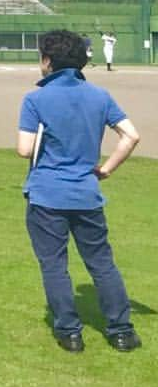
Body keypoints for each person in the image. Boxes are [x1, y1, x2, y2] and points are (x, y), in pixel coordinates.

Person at [16, 29, 141, 353]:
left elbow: (24, 148)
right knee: (101, 262)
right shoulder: (99, 96)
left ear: (47, 61)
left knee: (54, 264)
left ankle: (70, 332)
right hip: (86, 192)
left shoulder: (36, 98)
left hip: (47, 195)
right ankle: (121, 331)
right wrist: (106, 168)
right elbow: (131, 136)